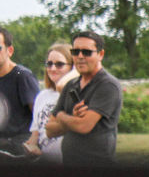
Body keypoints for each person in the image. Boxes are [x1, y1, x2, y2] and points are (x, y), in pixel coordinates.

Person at [45, 31, 123, 165]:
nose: (80, 56)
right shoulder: (71, 85)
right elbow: (49, 130)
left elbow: (83, 126)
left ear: (100, 54)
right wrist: (71, 120)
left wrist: (62, 116)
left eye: (86, 52)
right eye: (75, 52)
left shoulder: (108, 85)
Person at [26, 43, 76, 161]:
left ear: (72, 67)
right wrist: (31, 146)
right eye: (49, 64)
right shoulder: (42, 96)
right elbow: (35, 133)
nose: (53, 68)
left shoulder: (75, 95)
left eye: (59, 64)